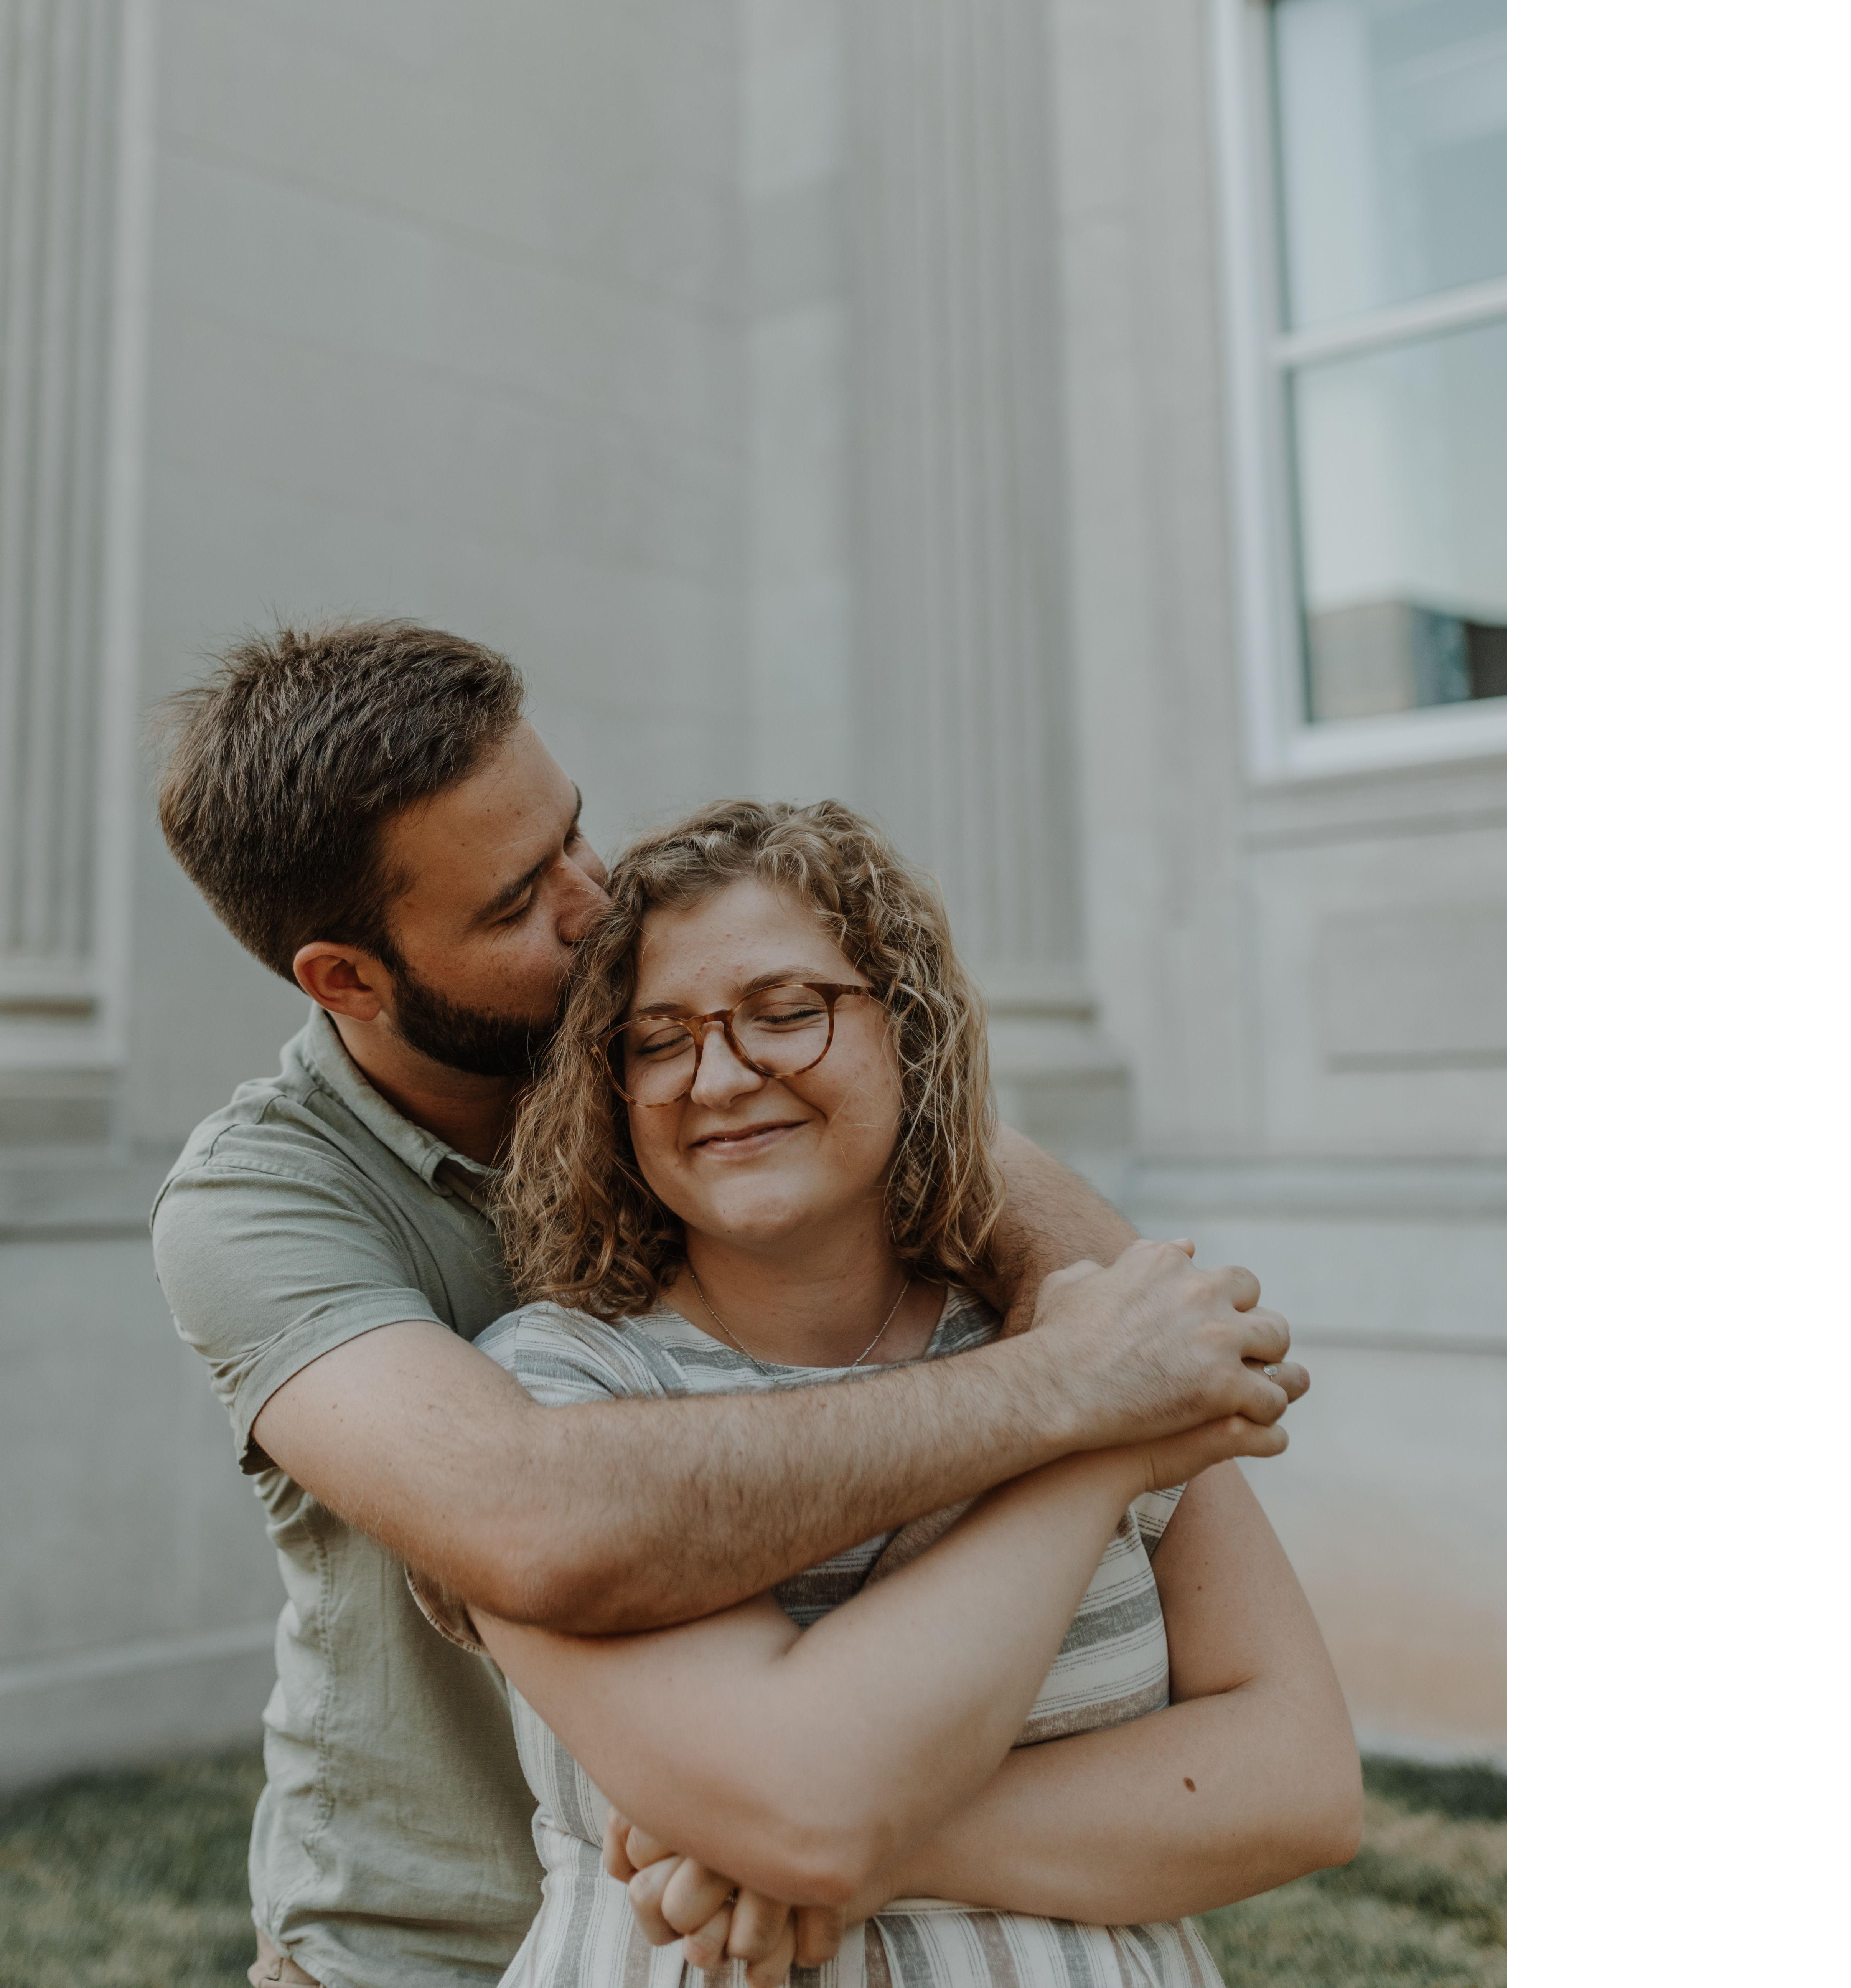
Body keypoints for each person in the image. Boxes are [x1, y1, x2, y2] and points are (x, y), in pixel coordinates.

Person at [150, 619, 1310, 1988]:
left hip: (808, 1865)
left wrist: (1114, 1342)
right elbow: (541, 1522)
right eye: (517, 904)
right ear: (349, 979)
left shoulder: (698, 1051)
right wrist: (1078, 1396)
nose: (592, 910)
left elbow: (1133, 1314)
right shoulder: (258, 1206)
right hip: (435, 1947)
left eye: (574, 835)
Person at [447, 799, 1362, 1988]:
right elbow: (807, 1803)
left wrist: (824, 1853)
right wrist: (1097, 1451)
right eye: (658, 1040)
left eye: (785, 1014)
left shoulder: (1091, 1329)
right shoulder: (556, 1386)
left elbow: (1300, 1785)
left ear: (910, 1031)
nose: (718, 1078)